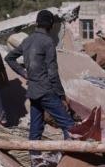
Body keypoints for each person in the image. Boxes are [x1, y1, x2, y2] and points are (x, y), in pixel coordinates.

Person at [5, 10, 74, 142]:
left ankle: (35, 158)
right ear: (51, 25)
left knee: (35, 130)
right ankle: (71, 157)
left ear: (37, 23)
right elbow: (53, 73)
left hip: (33, 91)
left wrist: (24, 73)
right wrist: (61, 96)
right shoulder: (48, 42)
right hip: (45, 90)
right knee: (69, 125)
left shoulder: (27, 40)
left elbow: (9, 58)